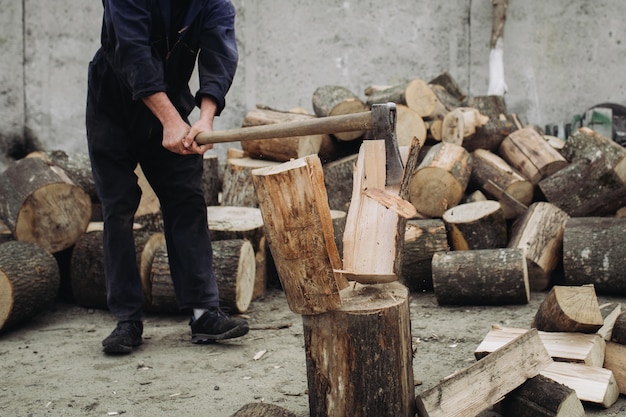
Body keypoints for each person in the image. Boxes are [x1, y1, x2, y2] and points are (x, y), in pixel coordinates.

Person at [86, 0, 248, 354]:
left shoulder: (215, 3)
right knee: (118, 206)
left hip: (172, 97)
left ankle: (204, 312)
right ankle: (127, 319)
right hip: (111, 102)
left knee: (187, 199)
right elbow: (131, 49)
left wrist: (205, 118)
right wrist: (170, 120)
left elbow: (219, 54)